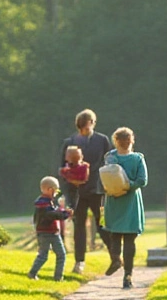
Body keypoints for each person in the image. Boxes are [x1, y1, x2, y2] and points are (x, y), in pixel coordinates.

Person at [60, 109, 112, 274]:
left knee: (102, 224)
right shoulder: (69, 142)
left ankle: (115, 255)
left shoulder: (102, 140)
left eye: (88, 125)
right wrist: (68, 187)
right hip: (77, 192)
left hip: (97, 189)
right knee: (79, 227)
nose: (86, 128)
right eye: (83, 126)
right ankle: (79, 262)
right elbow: (63, 168)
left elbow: (110, 163)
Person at [101, 127, 147, 289]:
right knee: (121, 237)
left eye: (126, 140)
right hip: (122, 200)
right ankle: (121, 267)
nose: (125, 143)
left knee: (122, 237)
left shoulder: (130, 158)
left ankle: (123, 268)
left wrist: (123, 187)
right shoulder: (117, 157)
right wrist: (124, 187)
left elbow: (141, 180)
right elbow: (141, 180)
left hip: (123, 200)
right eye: (123, 141)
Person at [28, 176, 73, 281]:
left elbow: (53, 211)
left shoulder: (43, 202)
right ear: (49, 189)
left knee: (43, 255)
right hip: (50, 232)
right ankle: (58, 278)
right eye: (55, 191)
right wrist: (65, 214)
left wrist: (62, 211)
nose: (56, 193)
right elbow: (52, 215)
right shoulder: (45, 203)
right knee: (60, 255)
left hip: (43, 232)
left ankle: (32, 273)